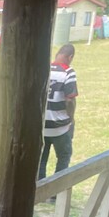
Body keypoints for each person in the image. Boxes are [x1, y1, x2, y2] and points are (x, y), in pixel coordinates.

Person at [38, 43, 78, 182]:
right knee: (63, 157)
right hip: (60, 126)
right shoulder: (68, 72)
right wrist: (71, 118)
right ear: (70, 57)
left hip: (42, 125)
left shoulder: (44, 69)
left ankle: (40, 188)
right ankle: (58, 190)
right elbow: (70, 100)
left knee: (41, 160)